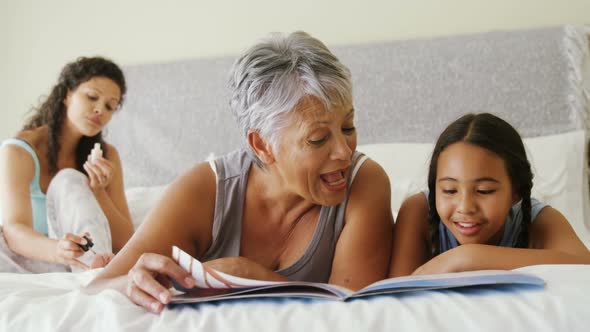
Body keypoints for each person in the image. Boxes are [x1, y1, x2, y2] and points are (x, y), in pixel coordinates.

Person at [87, 31, 394, 313]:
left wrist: (255, 278)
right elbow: (99, 288)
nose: (344, 151)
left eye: (348, 127)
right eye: (318, 139)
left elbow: (353, 310)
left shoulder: (364, 183)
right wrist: (132, 283)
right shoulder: (204, 190)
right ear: (261, 144)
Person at [389, 113, 590, 277]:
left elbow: (583, 264)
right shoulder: (418, 211)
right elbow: (395, 296)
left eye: (484, 191)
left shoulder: (539, 219)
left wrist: (466, 257)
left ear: (516, 192)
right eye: (449, 190)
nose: (465, 207)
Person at [0, 56, 134, 273]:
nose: (100, 110)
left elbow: (126, 240)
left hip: (85, 263)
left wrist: (98, 191)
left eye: (110, 106)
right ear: (67, 94)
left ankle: (94, 274)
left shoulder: (107, 156)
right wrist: (59, 251)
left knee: (69, 179)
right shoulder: (18, 151)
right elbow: (14, 230)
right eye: (92, 97)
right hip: (35, 256)